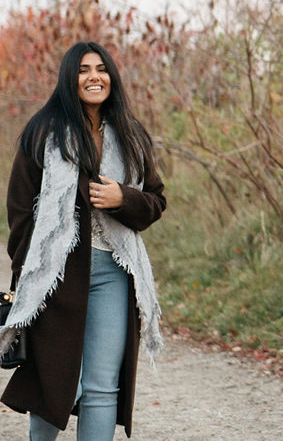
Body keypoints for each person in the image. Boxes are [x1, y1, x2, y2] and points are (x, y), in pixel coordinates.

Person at [0, 41, 166, 440]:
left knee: (101, 385)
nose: (94, 77)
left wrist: (122, 198)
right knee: (54, 380)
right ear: (69, 79)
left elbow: (156, 200)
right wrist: (28, 275)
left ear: (112, 77)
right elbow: (20, 212)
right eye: (83, 70)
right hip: (55, 277)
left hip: (113, 271)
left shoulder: (131, 134)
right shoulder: (42, 131)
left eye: (101, 68)